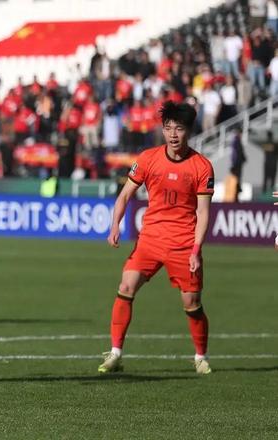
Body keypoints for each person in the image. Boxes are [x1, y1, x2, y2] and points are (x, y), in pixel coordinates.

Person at [99, 101, 215, 375]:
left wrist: (196, 249)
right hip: (150, 240)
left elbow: (203, 212)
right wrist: (114, 225)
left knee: (192, 304)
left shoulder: (201, 166)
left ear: (189, 131)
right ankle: (115, 353)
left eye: (179, 128)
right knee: (126, 286)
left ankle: (200, 357)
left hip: (183, 243)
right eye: (168, 128)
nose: (173, 134)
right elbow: (125, 195)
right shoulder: (148, 158)